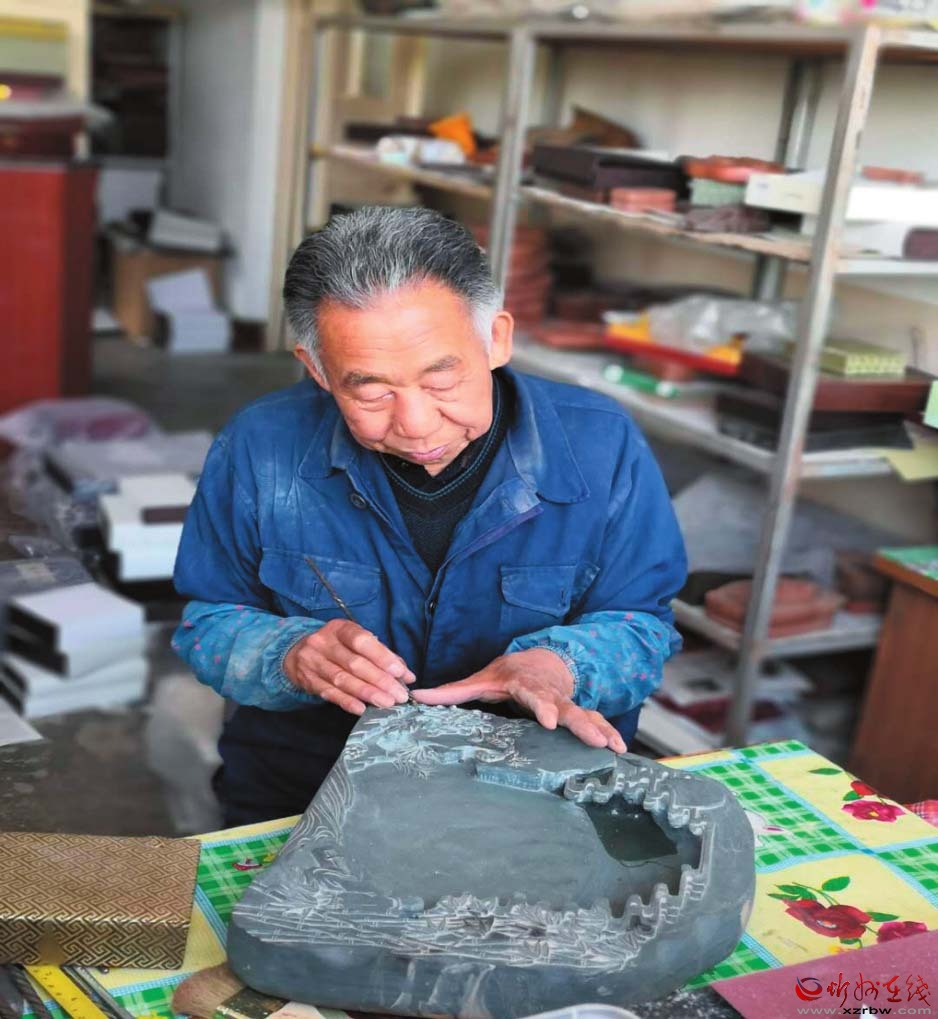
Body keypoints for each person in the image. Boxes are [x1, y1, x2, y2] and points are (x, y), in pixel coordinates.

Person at [173, 206, 687, 826]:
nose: (416, 425)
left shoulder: (600, 445)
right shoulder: (260, 447)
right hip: (311, 790)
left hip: (535, 795)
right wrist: (288, 655)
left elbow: (642, 623)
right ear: (318, 370)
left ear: (496, 339)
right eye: (371, 390)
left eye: (442, 380)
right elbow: (209, 620)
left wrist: (559, 666)